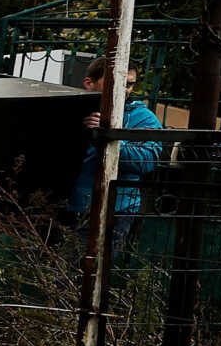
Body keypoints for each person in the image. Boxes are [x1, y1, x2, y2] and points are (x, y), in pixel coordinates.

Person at [65, 56, 163, 260]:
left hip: (114, 209)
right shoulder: (70, 108)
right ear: (89, 83)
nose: (125, 90)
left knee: (88, 274)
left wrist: (109, 137)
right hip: (65, 206)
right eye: (117, 84)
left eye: (129, 84)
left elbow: (146, 162)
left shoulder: (142, 118)